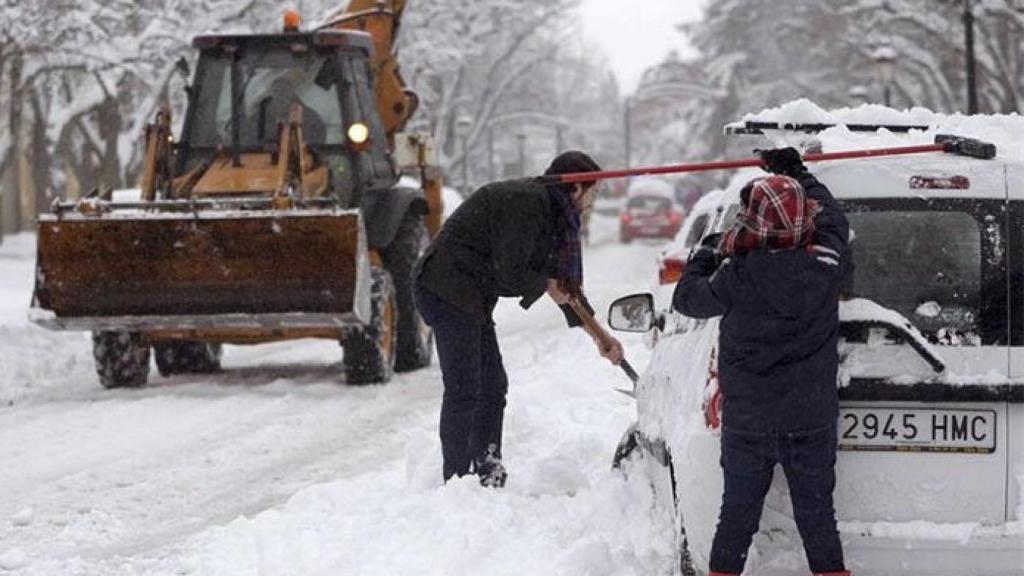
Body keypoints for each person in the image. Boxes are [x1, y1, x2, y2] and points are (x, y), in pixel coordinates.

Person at [673, 148, 853, 576]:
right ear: (801, 221)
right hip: (810, 419)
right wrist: (799, 173)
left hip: (749, 422)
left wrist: (709, 249)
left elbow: (686, 299)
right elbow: (833, 219)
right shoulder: (825, 266)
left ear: (753, 222)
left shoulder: (735, 274)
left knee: (736, 517)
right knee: (817, 519)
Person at [414, 150, 624, 487]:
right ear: (575, 188)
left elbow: (563, 287)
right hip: (446, 287)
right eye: (593, 192)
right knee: (465, 389)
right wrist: (546, 280)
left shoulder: (552, 213)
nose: (593, 203)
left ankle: (488, 469)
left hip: (470, 295)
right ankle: (456, 481)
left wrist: (601, 338)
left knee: (493, 385)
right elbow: (511, 273)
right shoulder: (529, 204)